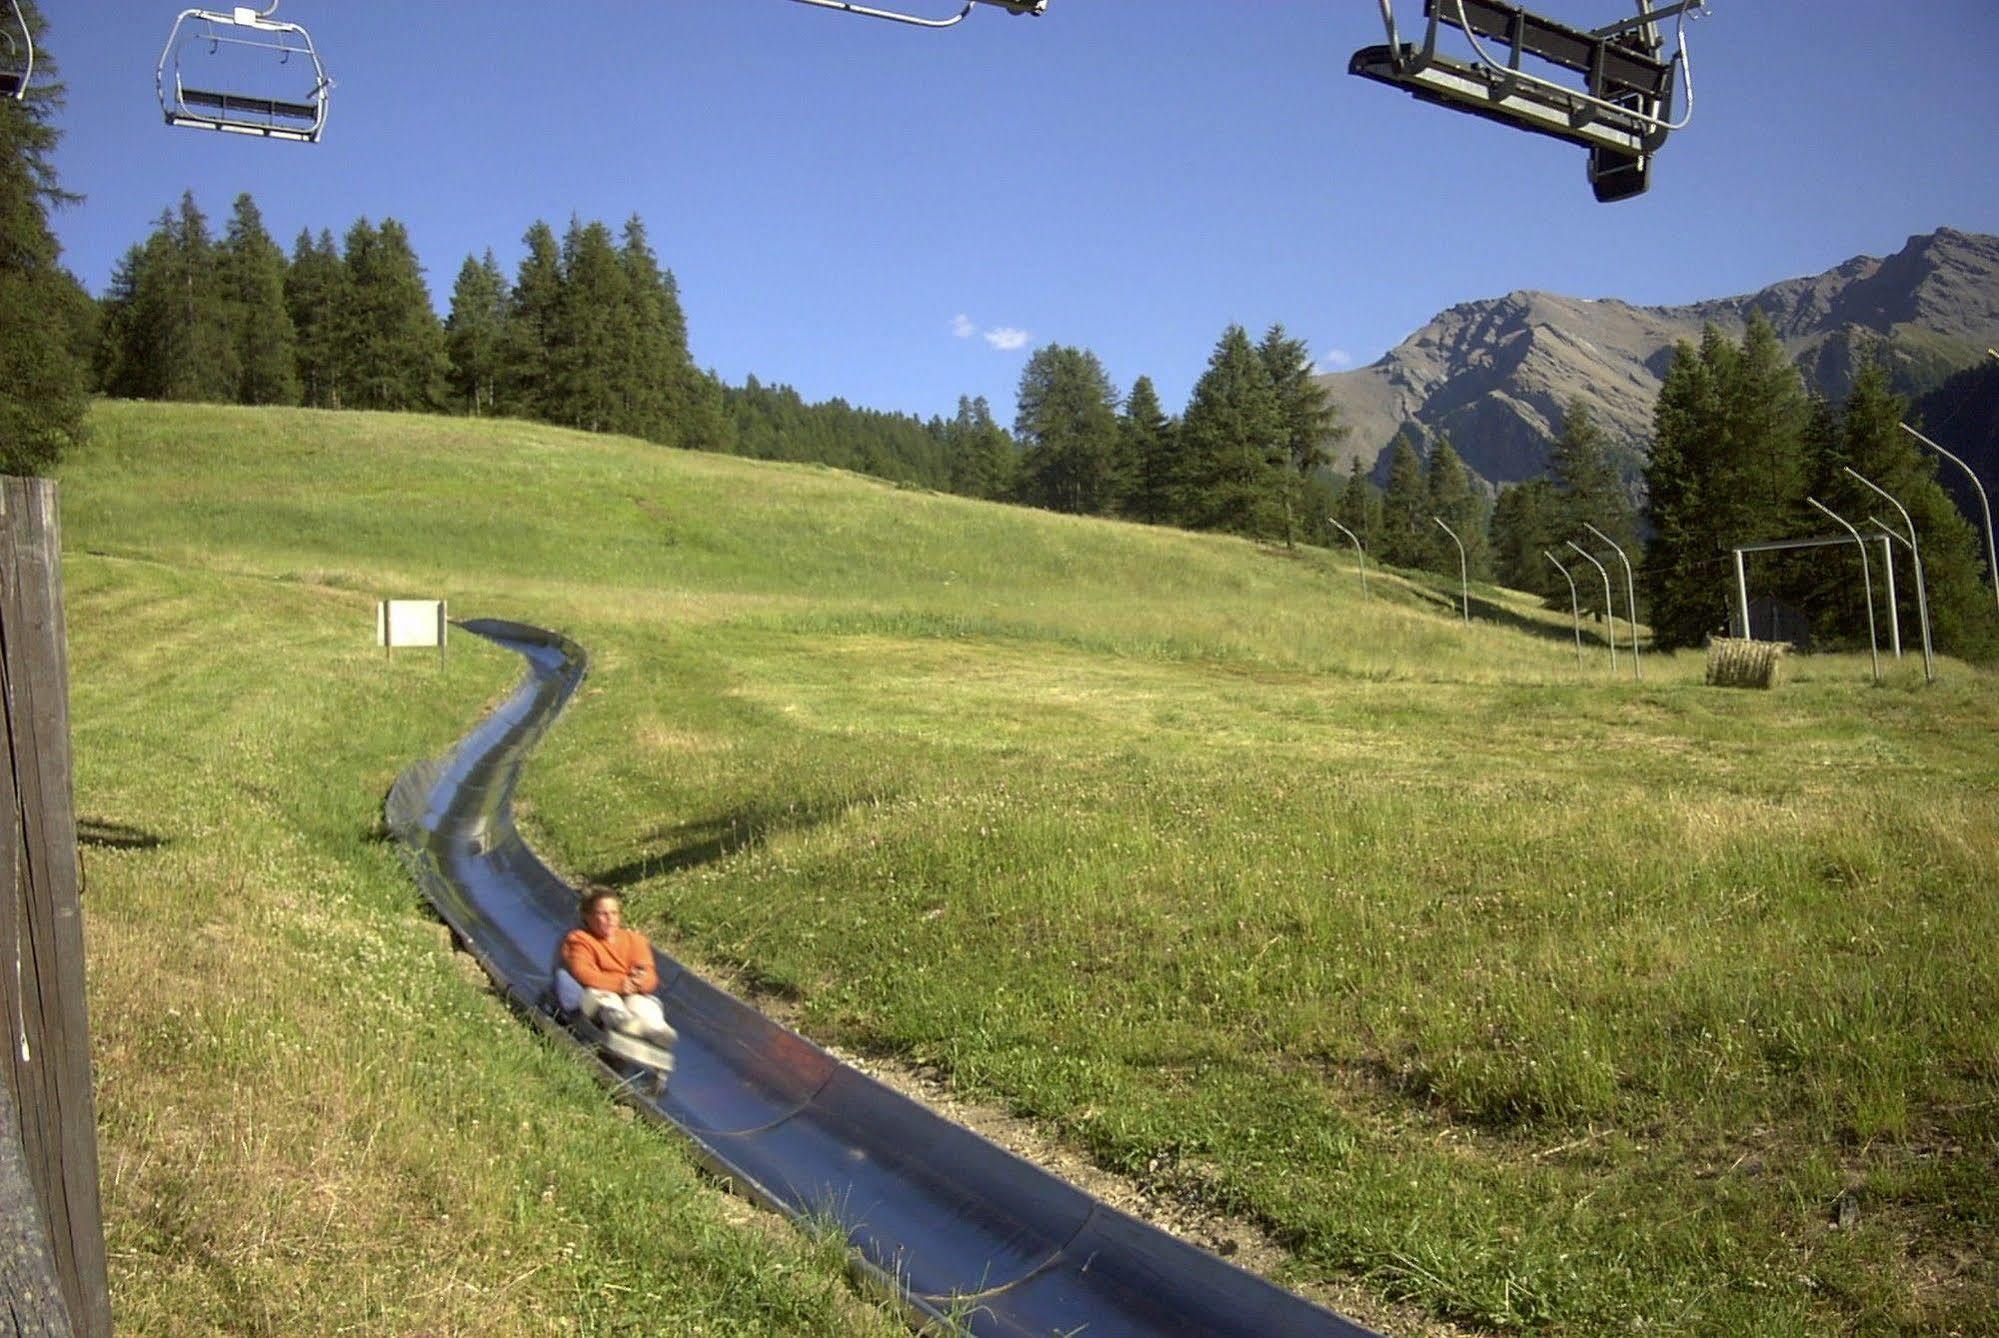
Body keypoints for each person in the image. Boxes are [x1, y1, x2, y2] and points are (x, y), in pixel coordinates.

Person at [558, 888, 677, 1051]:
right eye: (603, 914)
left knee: (644, 1004)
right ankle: (623, 1023)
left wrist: (640, 981)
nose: (610, 919)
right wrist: (620, 984)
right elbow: (583, 972)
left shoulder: (634, 940)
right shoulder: (579, 940)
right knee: (607, 1001)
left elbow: (649, 973)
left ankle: (657, 1029)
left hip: (631, 993)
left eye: (614, 913)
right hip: (599, 993)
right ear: (587, 916)